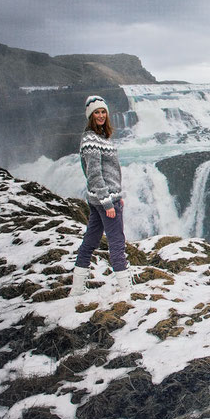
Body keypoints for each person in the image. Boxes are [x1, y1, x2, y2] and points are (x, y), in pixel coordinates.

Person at [70, 95, 132, 295]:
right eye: (96, 112)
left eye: (103, 111)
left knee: (90, 241)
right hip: (105, 201)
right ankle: (125, 289)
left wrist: (116, 195)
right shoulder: (90, 140)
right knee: (117, 243)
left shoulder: (101, 138)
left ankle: (77, 288)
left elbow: (108, 172)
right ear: (90, 115)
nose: (100, 115)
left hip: (103, 198)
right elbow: (94, 174)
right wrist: (108, 202)